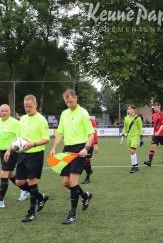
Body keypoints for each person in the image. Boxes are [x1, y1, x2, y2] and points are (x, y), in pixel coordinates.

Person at [49, 89, 94, 225]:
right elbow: (60, 132)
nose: (69, 103)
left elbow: (91, 134)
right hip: (67, 150)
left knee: (73, 181)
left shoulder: (83, 113)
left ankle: (73, 213)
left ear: (76, 98)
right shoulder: (64, 114)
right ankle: (85, 195)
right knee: (65, 183)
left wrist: (86, 148)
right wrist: (54, 147)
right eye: (66, 102)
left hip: (80, 149)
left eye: (71, 101)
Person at [4, 95, 50, 222]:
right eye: (26, 106)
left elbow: (46, 139)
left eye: (30, 106)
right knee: (19, 182)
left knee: (31, 181)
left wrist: (33, 144)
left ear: (36, 105)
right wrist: (9, 149)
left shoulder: (41, 120)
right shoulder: (22, 119)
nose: (28, 108)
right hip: (22, 154)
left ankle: (32, 212)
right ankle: (41, 197)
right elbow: (17, 138)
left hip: (36, 154)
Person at [0, 104, 29, 209]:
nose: (4, 113)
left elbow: (19, 138)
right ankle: (26, 190)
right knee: (10, 174)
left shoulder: (15, 123)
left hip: (11, 152)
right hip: (1, 151)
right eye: (2, 111)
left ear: (10, 112)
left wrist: (10, 150)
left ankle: (1, 201)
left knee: (4, 173)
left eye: (6, 111)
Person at [121, 105, 143, 173]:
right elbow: (125, 127)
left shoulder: (138, 118)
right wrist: (123, 134)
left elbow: (140, 128)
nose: (128, 110)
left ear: (134, 110)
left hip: (135, 136)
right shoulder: (126, 118)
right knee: (132, 152)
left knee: (132, 151)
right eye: (128, 109)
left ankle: (134, 167)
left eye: (130, 109)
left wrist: (141, 138)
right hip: (129, 137)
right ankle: (135, 166)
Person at [81, 116, 99, 184]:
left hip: (89, 144)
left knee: (86, 160)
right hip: (80, 143)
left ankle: (87, 177)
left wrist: (95, 144)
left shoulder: (90, 121)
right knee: (81, 160)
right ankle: (89, 170)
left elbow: (94, 133)